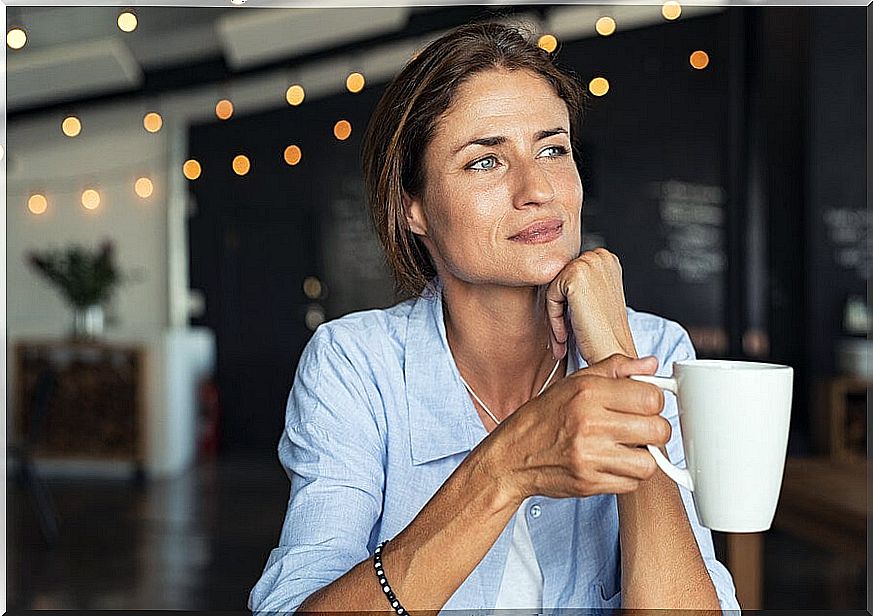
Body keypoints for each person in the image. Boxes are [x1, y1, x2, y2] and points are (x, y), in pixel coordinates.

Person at [250, 21, 739, 614]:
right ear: (413, 208)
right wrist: (505, 467)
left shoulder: (659, 347)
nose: (538, 189)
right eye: (485, 162)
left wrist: (614, 353)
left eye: (552, 148)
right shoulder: (356, 365)